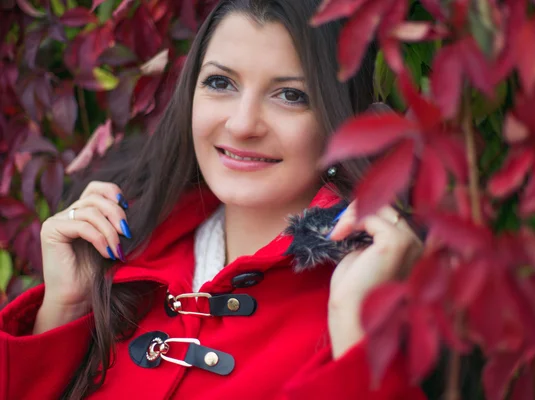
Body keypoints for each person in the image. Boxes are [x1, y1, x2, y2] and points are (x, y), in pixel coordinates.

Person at [0, 0, 425, 398]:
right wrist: (63, 309)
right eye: (220, 82)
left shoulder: (363, 292)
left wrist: (357, 337)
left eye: (291, 95)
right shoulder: (127, 262)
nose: (241, 125)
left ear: (342, 119)